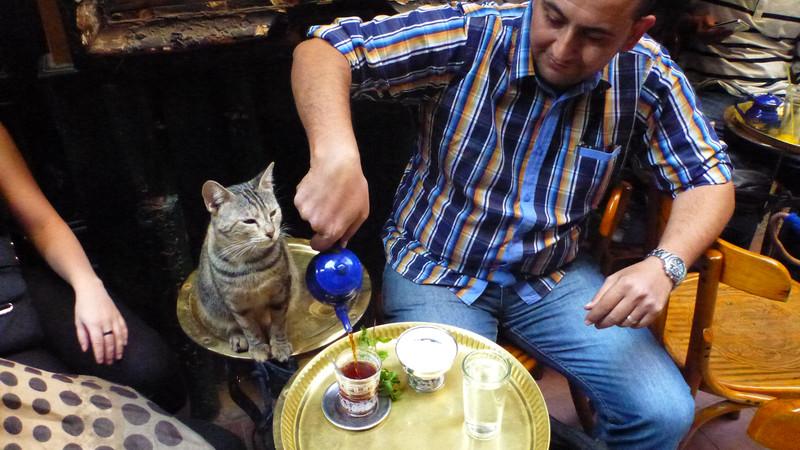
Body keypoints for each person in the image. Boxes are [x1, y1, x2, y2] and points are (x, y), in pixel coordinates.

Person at [291, 0, 734, 447]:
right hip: (437, 268)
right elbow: (324, 49)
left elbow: (710, 176)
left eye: (594, 36)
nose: (563, 48)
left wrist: (665, 263)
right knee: (451, 428)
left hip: (551, 277)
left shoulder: (644, 73)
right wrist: (336, 154)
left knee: (663, 413)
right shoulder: (473, 33)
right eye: (554, 18)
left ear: (634, 34)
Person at [0, 122, 186, 414]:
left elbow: (40, 222)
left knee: (148, 366)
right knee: (61, 408)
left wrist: (87, 284)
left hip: (10, 279)